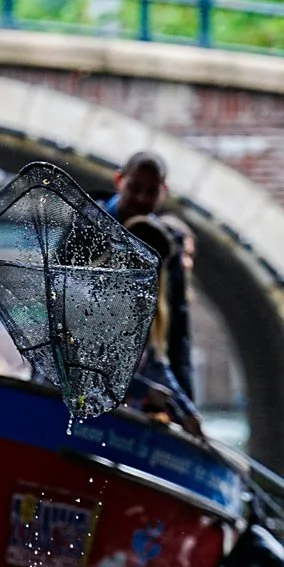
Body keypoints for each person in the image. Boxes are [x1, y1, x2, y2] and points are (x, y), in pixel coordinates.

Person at [109, 151, 196, 405]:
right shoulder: (84, 226)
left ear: (163, 191)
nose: (141, 198)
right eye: (135, 187)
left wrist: (185, 406)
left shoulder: (167, 244)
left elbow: (175, 333)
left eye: (151, 191)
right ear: (119, 181)